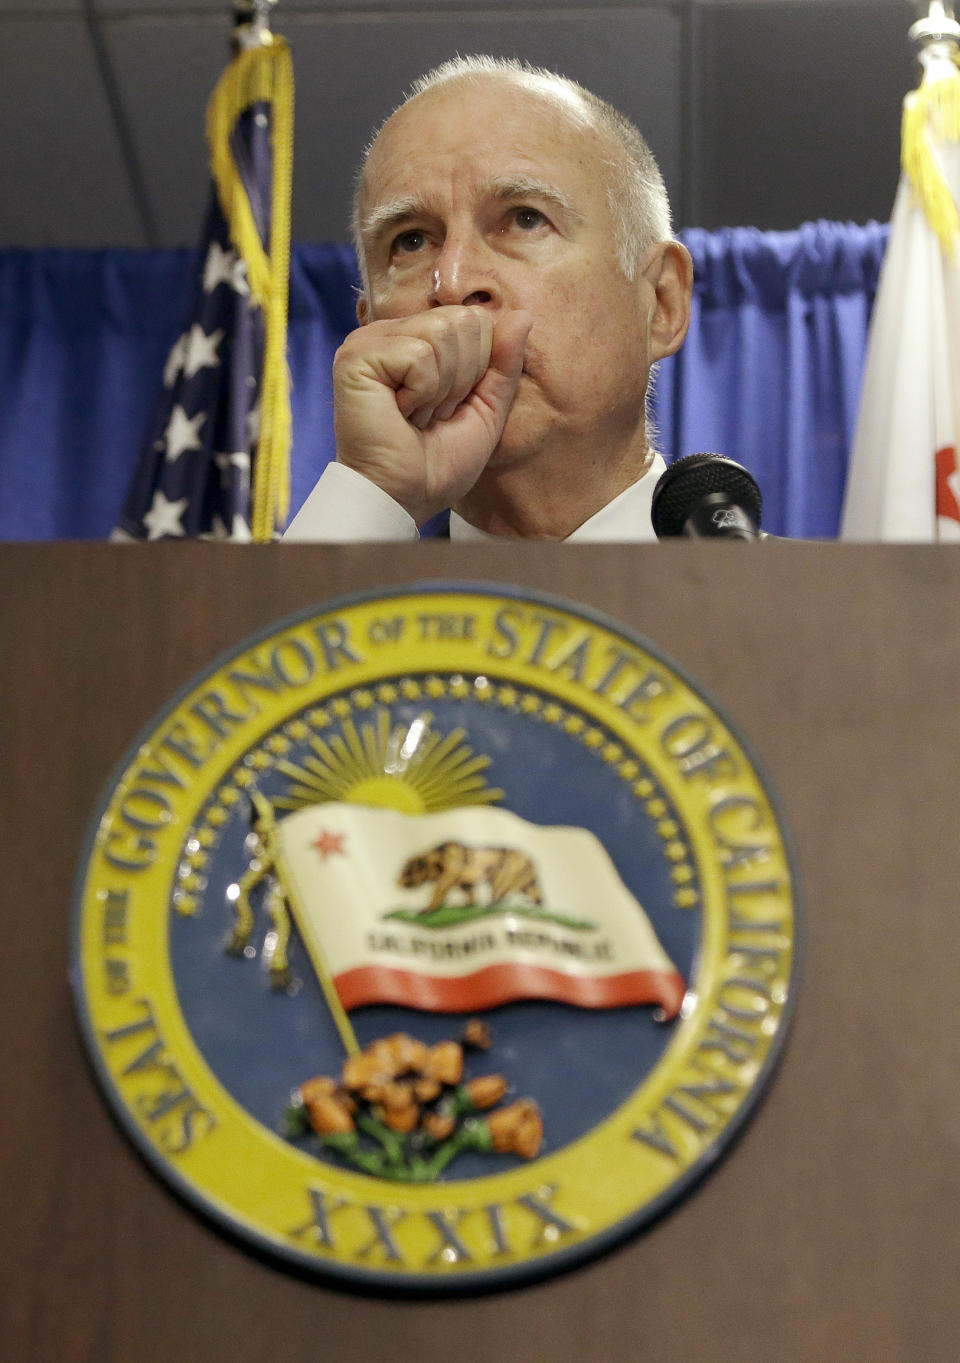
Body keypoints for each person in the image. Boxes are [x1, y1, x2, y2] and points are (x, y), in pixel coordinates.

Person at [285, 55, 693, 543]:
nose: (453, 283)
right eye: (411, 241)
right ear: (368, 324)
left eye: (524, 219)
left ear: (661, 304)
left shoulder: (795, 608)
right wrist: (373, 488)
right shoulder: (350, 611)